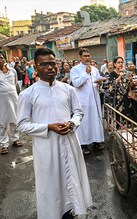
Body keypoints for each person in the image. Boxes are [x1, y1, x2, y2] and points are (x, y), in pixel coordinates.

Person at [16, 48, 93, 219]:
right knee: (51, 187)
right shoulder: (27, 94)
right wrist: (48, 127)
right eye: (44, 64)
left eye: (52, 63)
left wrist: (71, 123)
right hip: (46, 148)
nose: (50, 67)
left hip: (70, 142)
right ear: (36, 68)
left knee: (72, 181)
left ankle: (71, 211)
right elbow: (21, 125)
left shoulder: (68, 89)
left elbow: (79, 112)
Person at [70, 48, 105, 155]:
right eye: (85, 56)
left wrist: (100, 83)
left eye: (88, 55)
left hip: (94, 99)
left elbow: (96, 80)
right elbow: (76, 84)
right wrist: (85, 74)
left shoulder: (94, 69)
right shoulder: (75, 69)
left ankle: (96, 141)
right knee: (84, 122)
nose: (87, 58)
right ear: (80, 57)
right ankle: (84, 144)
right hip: (83, 100)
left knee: (95, 120)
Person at [0, 51, 23, 155]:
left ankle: (15, 139)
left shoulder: (12, 70)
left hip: (14, 98)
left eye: (1, 57)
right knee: (2, 122)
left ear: (4, 58)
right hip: (1, 101)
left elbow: (15, 83)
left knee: (15, 120)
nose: (0, 59)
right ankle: (3, 144)